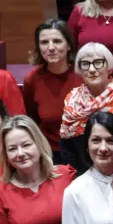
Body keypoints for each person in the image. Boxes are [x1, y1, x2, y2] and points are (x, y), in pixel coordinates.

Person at [61, 43, 113, 174]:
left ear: (109, 67)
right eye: (85, 64)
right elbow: (67, 145)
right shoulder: (71, 100)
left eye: (98, 62)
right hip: (83, 176)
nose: (92, 69)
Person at [23, 19, 82, 158]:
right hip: (50, 152)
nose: (50, 47)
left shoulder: (84, 74)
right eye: (44, 42)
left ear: (68, 45)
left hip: (85, 150)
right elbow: (32, 119)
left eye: (57, 41)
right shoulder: (32, 79)